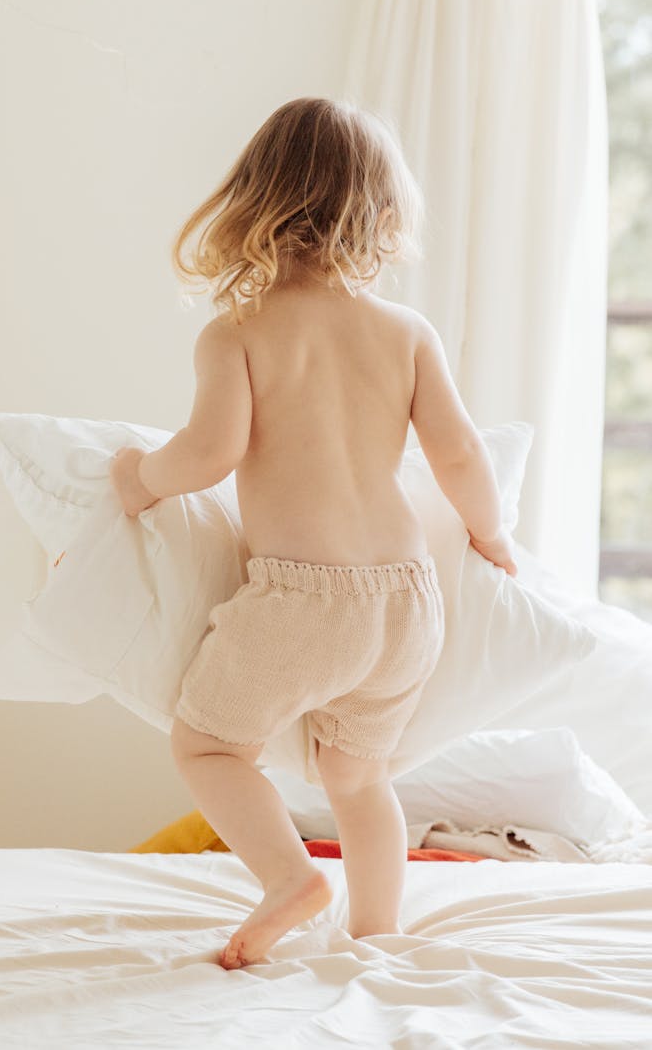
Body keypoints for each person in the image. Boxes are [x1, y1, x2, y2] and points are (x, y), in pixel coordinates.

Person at [109, 96, 518, 971]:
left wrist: (140, 478)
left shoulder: (238, 336)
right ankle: (377, 931)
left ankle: (290, 878)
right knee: (362, 778)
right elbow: (461, 453)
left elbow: (209, 452)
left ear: (255, 201)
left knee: (209, 743)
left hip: (303, 601)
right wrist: (493, 532)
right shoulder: (407, 333)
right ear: (379, 212)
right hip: (408, 604)